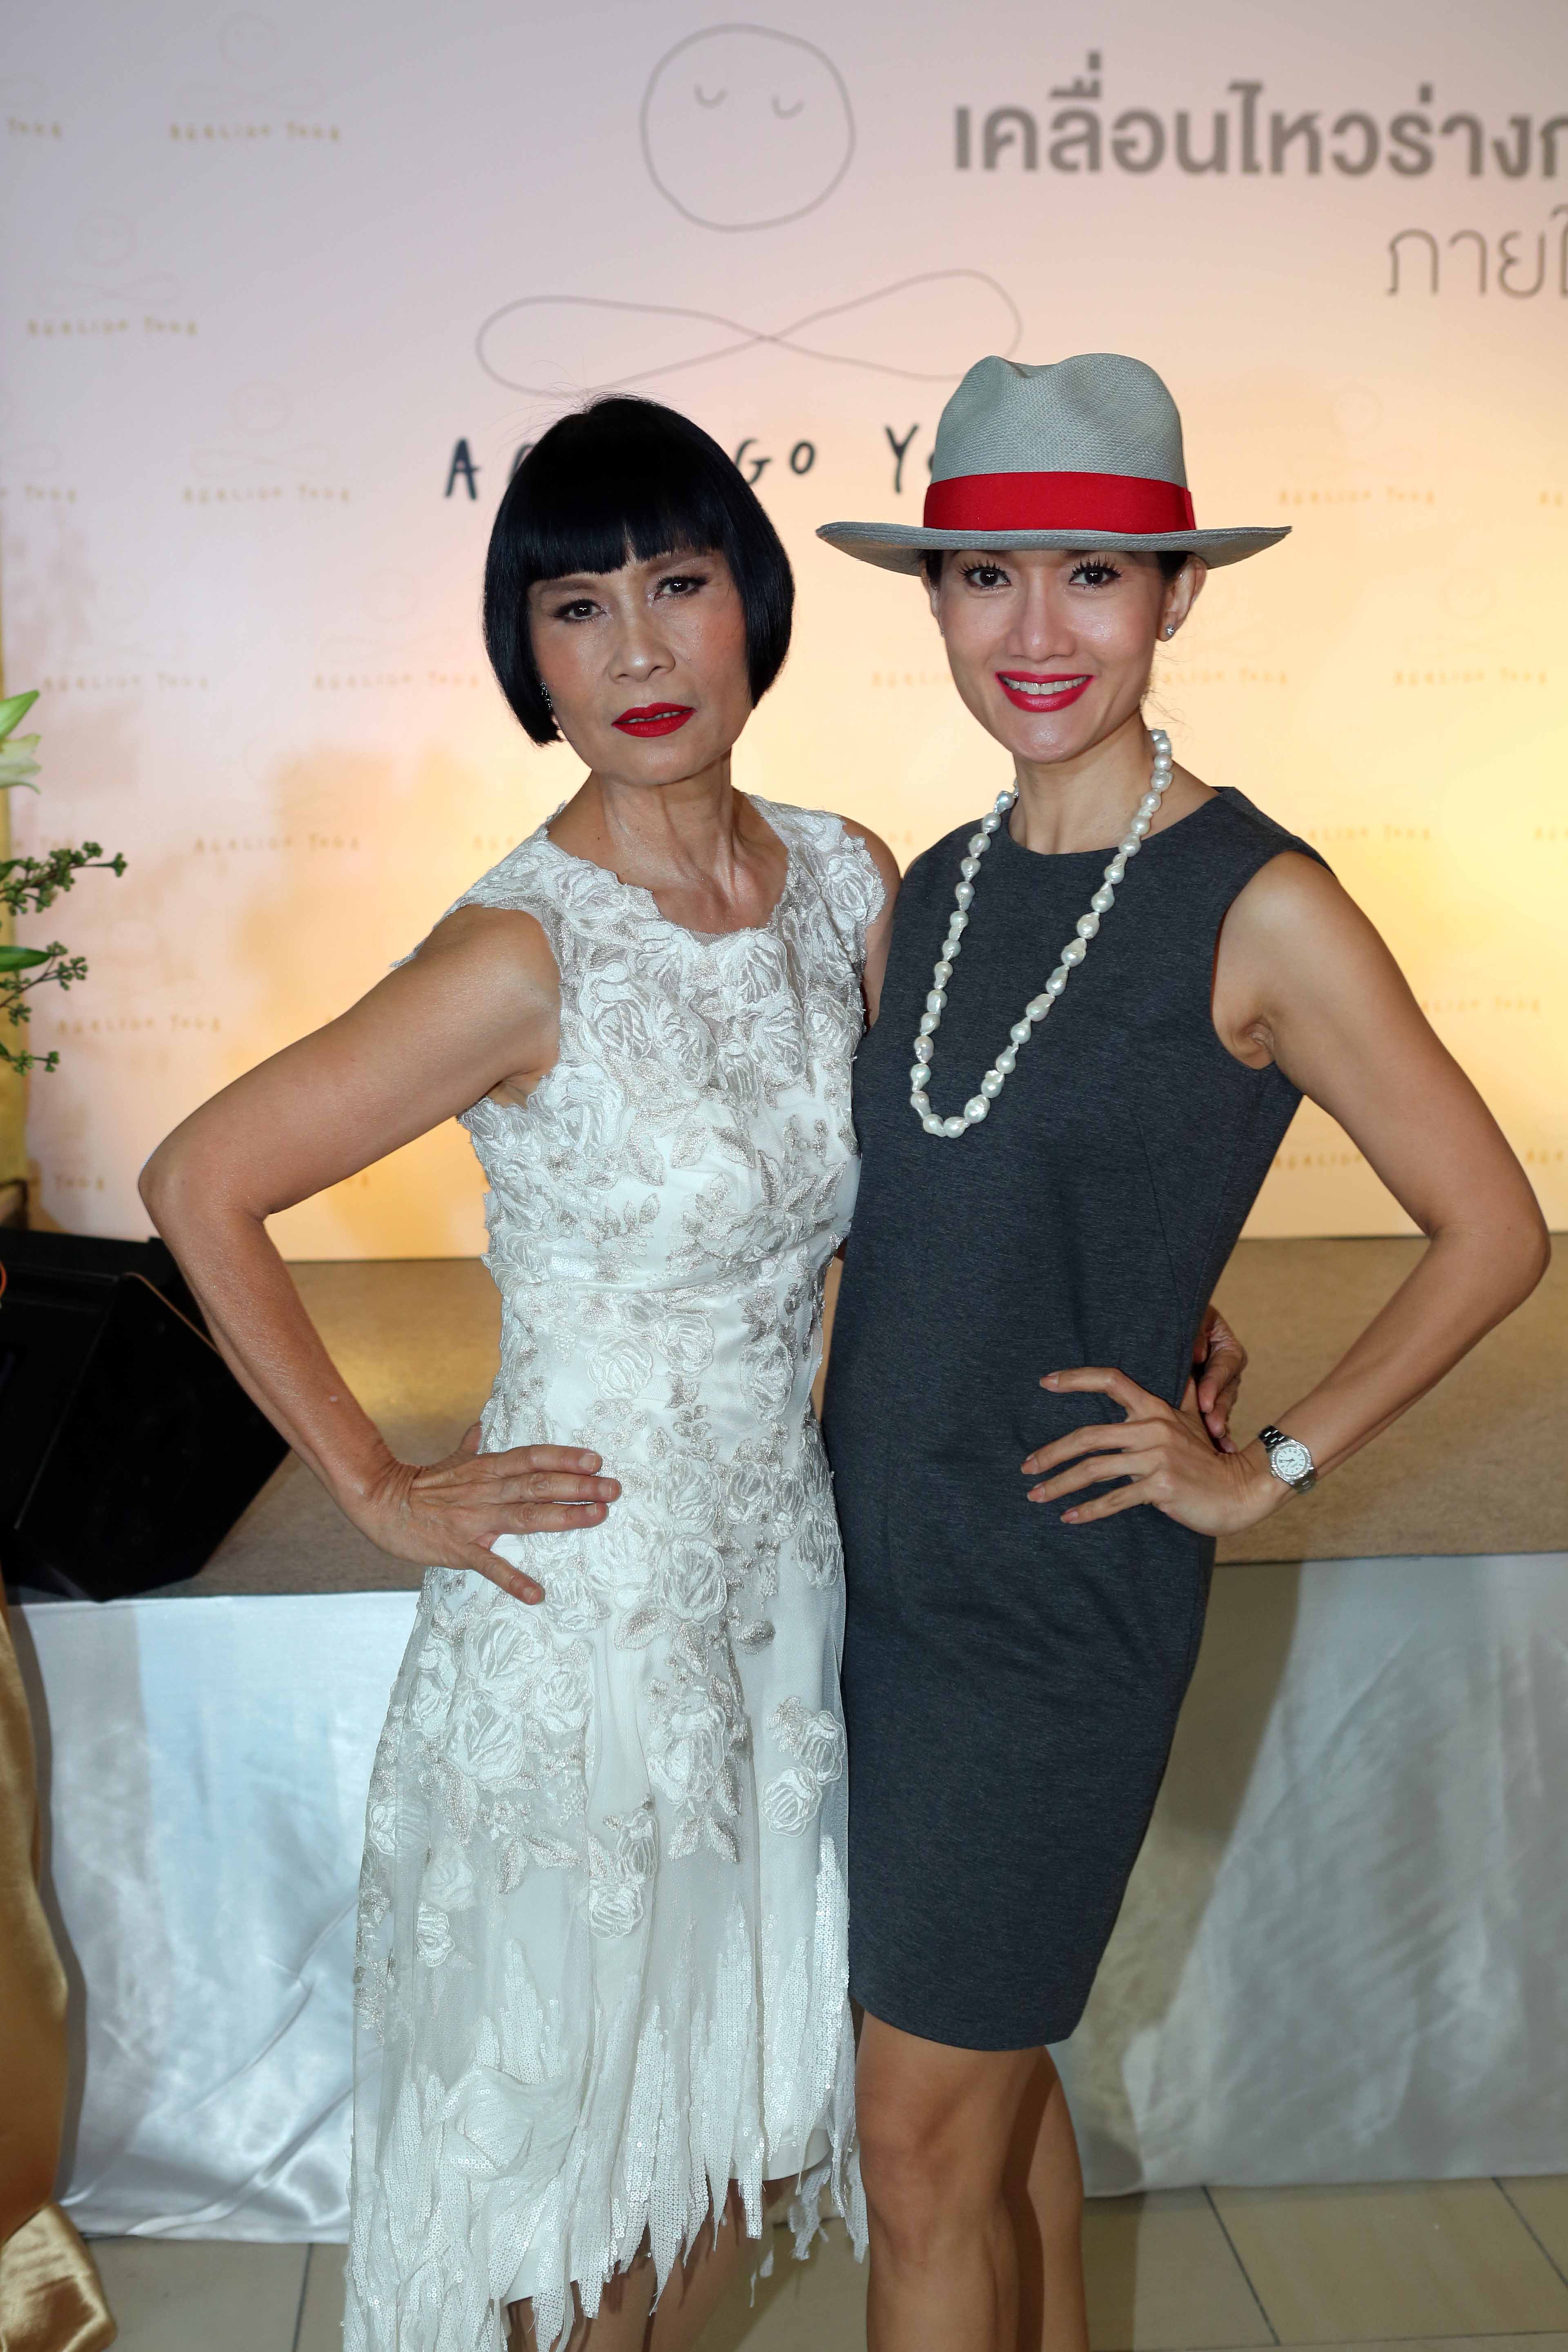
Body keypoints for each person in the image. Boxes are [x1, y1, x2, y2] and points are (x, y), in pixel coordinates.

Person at [138, 395, 901, 2352]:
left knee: (734, 2135)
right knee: (573, 2185)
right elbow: (202, 1182)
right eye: (578, 608)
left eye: (677, 584)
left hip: (784, 1590)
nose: (639, 648)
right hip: (586, 1620)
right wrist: (379, 1487)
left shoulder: (847, 882)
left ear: (752, 601)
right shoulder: (519, 953)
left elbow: (921, 1212)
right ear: (530, 658)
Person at [816, 352, 1550, 2352]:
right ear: (936, 600)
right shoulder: (937, 889)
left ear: (1178, 596)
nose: (1035, 631)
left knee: (911, 2148)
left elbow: (1496, 1228)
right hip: (869, 1578)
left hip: (1054, 1603)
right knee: (994, 2087)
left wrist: (1267, 1465)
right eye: (986, 577)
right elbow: (953, 1215)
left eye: (1093, 576)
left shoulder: (1262, 902)